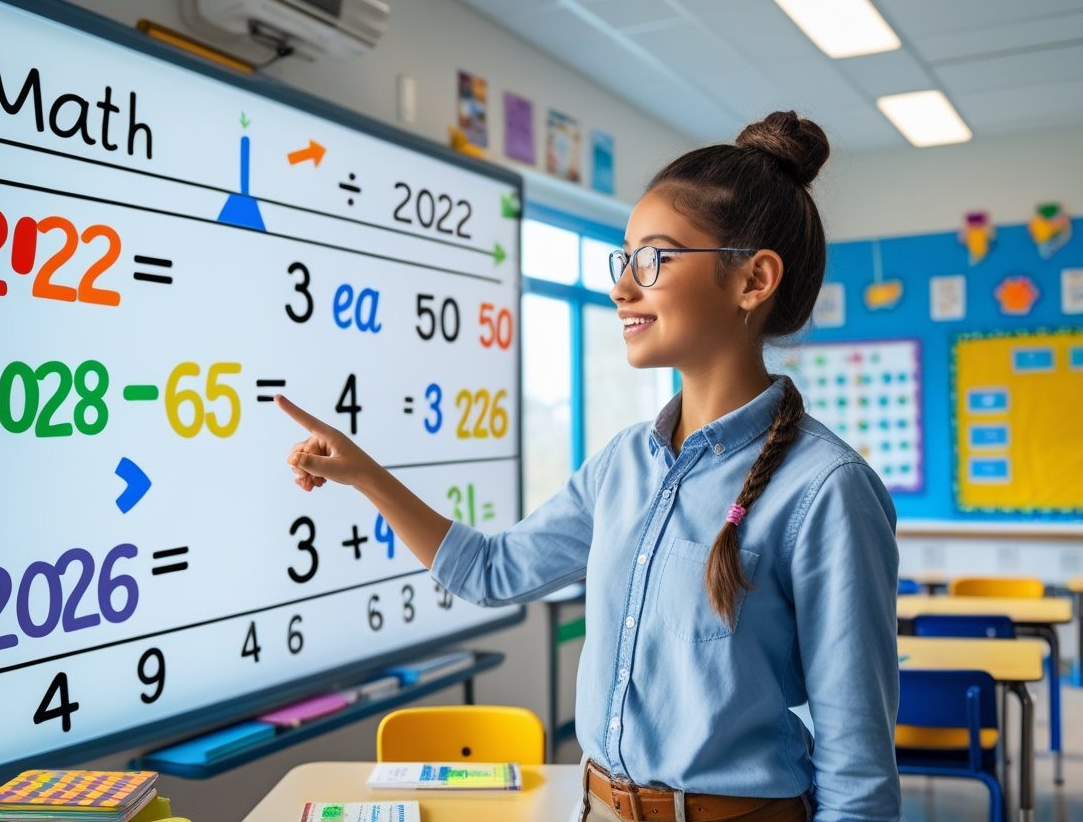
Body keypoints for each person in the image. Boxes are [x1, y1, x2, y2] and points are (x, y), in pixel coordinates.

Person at [274, 110, 900, 822]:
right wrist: (365, 475)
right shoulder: (624, 463)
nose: (621, 287)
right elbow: (491, 572)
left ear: (752, 279)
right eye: (623, 258)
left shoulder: (827, 490)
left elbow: (857, 770)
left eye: (654, 259)